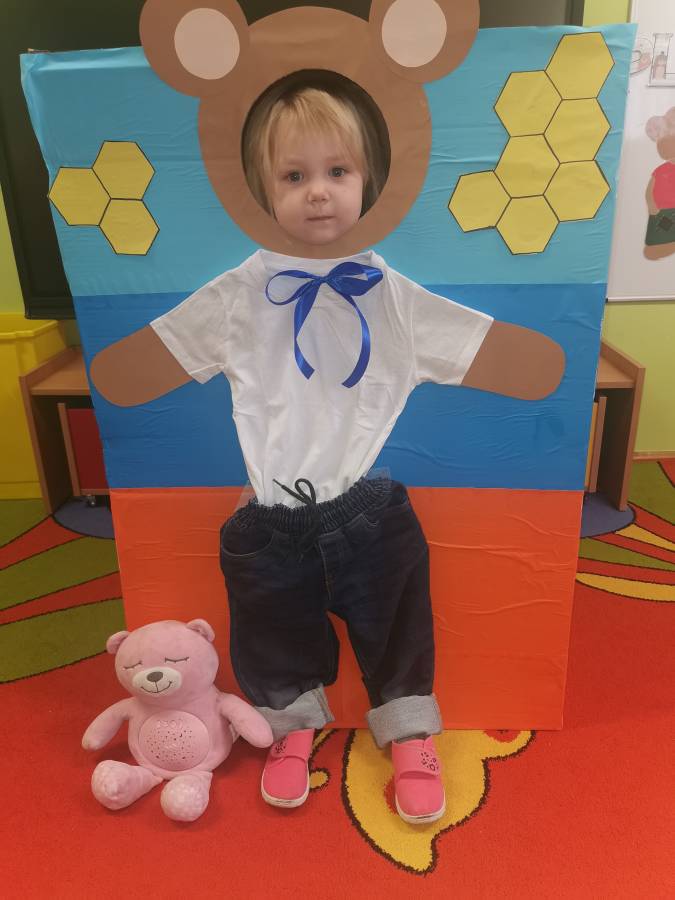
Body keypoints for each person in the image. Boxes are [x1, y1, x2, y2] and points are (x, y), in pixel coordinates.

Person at [91, 85, 564, 825]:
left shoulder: (389, 293)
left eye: (337, 171)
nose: (318, 192)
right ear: (262, 191)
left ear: (368, 181)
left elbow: (479, 344)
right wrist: (116, 366)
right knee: (271, 632)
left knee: (398, 623)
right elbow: (152, 356)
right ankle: (289, 724)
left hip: (365, 508)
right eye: (294, 175)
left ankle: (409, 731)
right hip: (269, 516)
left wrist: (545, 361)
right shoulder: (243, 292)